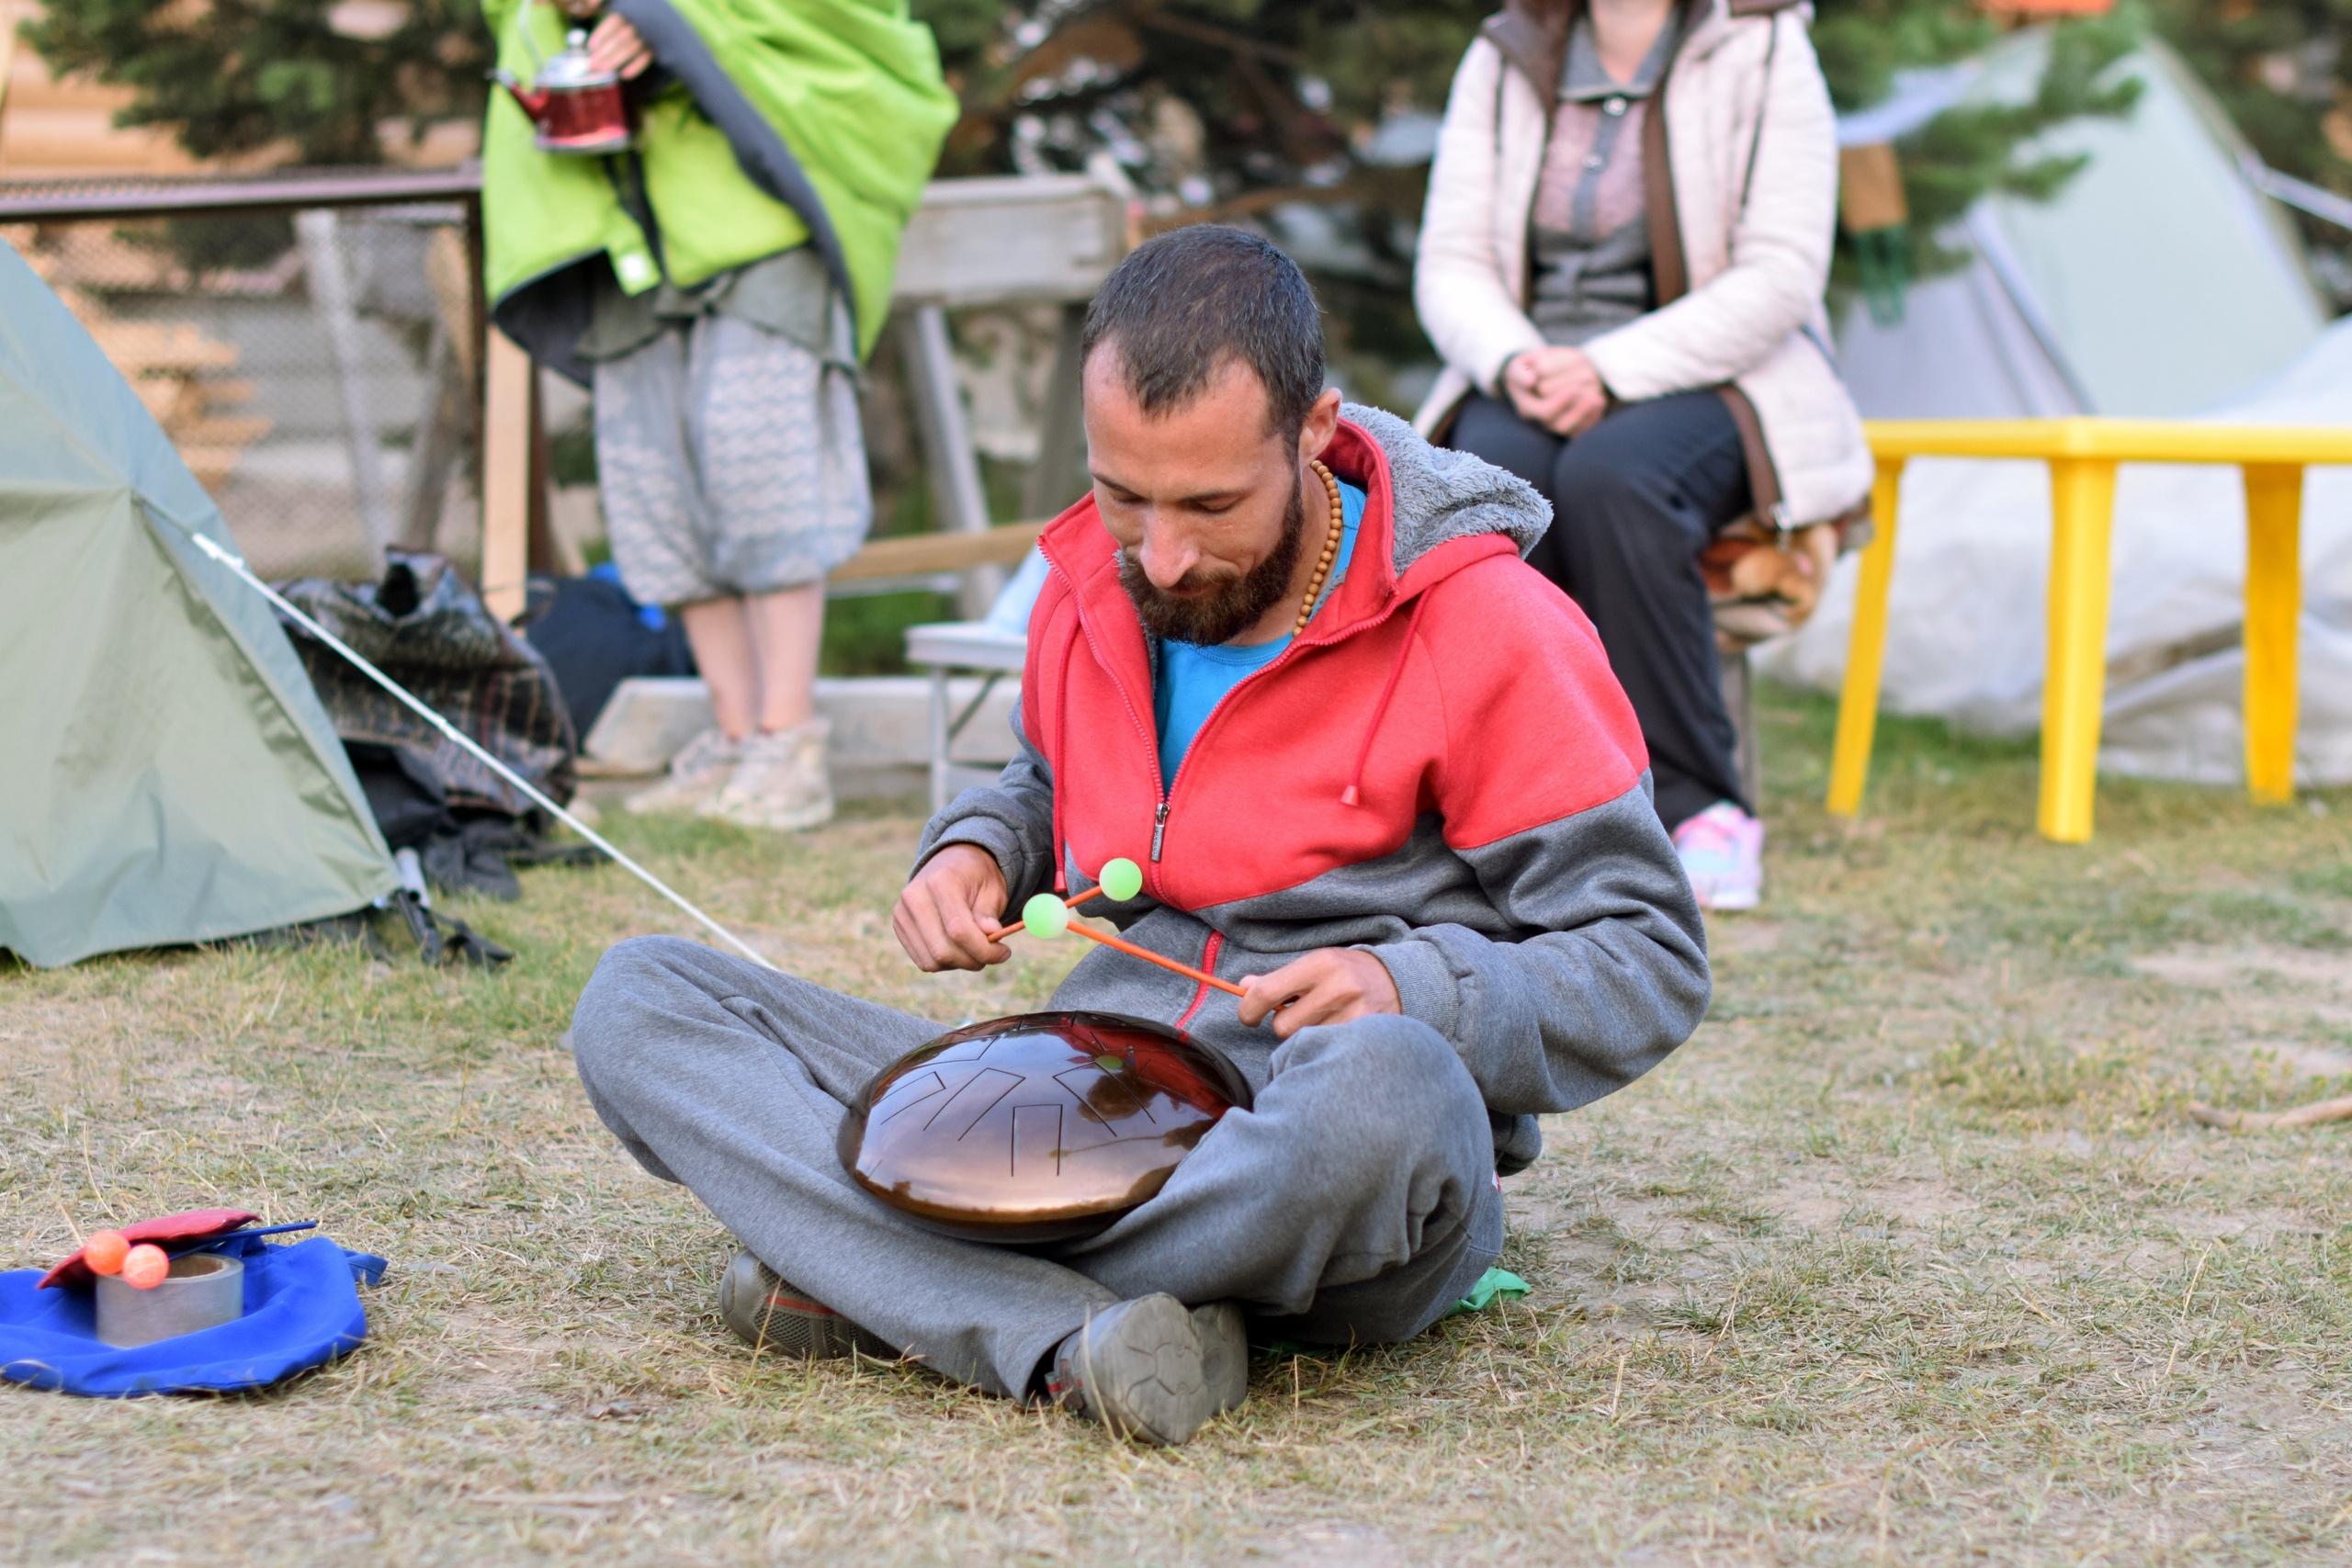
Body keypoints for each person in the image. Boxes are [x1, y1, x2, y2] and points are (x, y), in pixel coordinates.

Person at [569, 228, 1710, 1448]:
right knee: (642, 998)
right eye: (1126, 497)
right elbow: (1050, 778)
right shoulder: (1094, 581)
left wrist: (1405, 981)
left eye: (1211, 504)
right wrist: (983, 847)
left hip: (1321, 1145)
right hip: (1091, 1092)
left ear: (1314, 429)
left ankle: (893, 1281)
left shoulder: (1489, 625)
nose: (1160, 554)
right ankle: (1063, 1325)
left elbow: (1648, 954)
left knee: (1389, 1082)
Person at [1413, 0, 1872, 910]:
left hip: (1713, 371)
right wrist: (1514, 359)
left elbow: (1780, 273)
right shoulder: (1506, 51)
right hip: (1533, 366)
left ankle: (1703, 809)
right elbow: (1449, 261)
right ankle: (1517, 811)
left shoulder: (1764, 40)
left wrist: (1610, 369)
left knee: (1615, 477)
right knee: (1493, 493)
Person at [479, 0, 956, 829]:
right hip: (620, 223)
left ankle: (790, 739)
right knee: (653, 481)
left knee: (760, 470)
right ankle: (736, 739)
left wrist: (660, 14)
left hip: (759, 218)